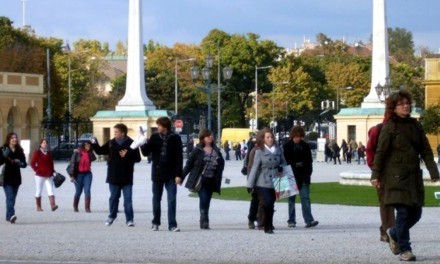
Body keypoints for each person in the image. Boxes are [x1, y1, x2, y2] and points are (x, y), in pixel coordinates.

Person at [370, 91, 439, 261]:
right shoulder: (389, 127)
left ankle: (393, 232)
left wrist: (433, 171)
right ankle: (405, 250)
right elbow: (380, 152)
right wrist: (375, 175)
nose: (406, 106)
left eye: (407, 103)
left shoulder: (415, 125)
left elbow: (426, 151)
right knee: (403, 212)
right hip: (395, 177)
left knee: (416, 214)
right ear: (393, 108)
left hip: (413, 176)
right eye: (401, 104)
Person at [92, 123, 141, 227]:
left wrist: (128, 154)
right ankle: (111, 216)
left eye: (116, 132)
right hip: (113, 175)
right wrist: (94, 143)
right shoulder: (111, 143)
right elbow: (100, 151)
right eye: (114, 132)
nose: (114, 133)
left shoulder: (132, 143)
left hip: (127, 175)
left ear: (123, 133)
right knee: (113, 197)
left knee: (128, 199)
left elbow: (138, 158)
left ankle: (129, 219)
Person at [140, 117, 183, 232]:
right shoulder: (154, 137)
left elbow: (179, 158)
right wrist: (142, 143)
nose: (157, 127)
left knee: (172, 200)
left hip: (171, 173)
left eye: (159, 125)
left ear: (165, 126)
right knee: (156, 199)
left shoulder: (175, 138)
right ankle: (155, 222)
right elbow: (145, 152)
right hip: (158, 173)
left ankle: (172, 224)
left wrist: (179, 175)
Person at [182, 130, 225, 229]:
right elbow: (189, 164)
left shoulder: (216, 150)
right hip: (201, 179)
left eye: (211, 136)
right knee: (204, 198)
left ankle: (204, 217)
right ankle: (204, 219)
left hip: (212, 179)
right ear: (202, 138)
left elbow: (221, 164)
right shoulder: (197, 150)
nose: (210, 137)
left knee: (207, 199)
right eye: (207, 136)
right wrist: (181, 177)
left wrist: (218, 169)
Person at [247, 128, 286, 234]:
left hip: (276, 179)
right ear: (263, 139)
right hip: (262, 181)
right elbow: (254, 168)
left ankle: (268, 224)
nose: (270, 139)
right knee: (267, 202)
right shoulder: (259, 151)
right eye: (267, 137)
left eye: (271, 137)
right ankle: (265, 224)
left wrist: (282, 169)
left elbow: (284, 163)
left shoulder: (278, 150)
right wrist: (250, 184)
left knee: (271, 204)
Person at [366, 117, 395, 243]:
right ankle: (388, 230)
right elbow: (370, 151)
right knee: (385, 201)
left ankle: (392, 229)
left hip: (400, 171)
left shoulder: (405, 127)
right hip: (382, 172)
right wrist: (375, 170)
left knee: (403, 202)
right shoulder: (377, 130)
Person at [283, 126, 319, 228]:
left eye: (299, 137)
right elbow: (285, 162)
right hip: (291, 175)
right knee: (291, 200)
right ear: (292, 136)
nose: (297, 139)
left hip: (303, 175)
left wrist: (308, 173)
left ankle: (309, 220)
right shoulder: (287, 146)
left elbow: (309, 162)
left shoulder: (305, 146)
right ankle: (291, 220)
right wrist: (296, 165)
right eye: (296, 137)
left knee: (305, 198)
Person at [1, 133, 27, 223]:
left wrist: (21, 163)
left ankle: (8, 216)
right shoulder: (3, 149)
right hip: (7, 176)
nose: (14, 139)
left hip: (16, 177)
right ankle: (12, 215)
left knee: (12, 198)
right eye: (12, 138)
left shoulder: (20, 150)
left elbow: (25, 164)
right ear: (8, 139)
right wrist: (4, 156)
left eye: (16, 138)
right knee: (10, 197)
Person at [68, 141, 96, 213]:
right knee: (78, 191)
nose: (88, 146)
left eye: (89, 145)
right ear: (83, 145)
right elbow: (72, 164)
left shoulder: (90, 153)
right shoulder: (77, 153)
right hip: (78, 175)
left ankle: (87, 208)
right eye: (86, 145)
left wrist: (90, 151)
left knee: (87, 191)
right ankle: (75, 206)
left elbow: (94, 158)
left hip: (87, 174)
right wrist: (72, 176)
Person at [30, 138, 58, 211]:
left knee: (50, 190)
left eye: (46, 143)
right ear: (40, 144)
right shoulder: (37, 153)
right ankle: (38, 206)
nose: (45, 144)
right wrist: (37, 170)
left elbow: (51, 163)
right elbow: (32, 163)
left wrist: (53, 171)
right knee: (39, 190)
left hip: (49, 174)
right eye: (43, 143)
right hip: (40, 175)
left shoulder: (49, 153)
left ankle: (53, 205)